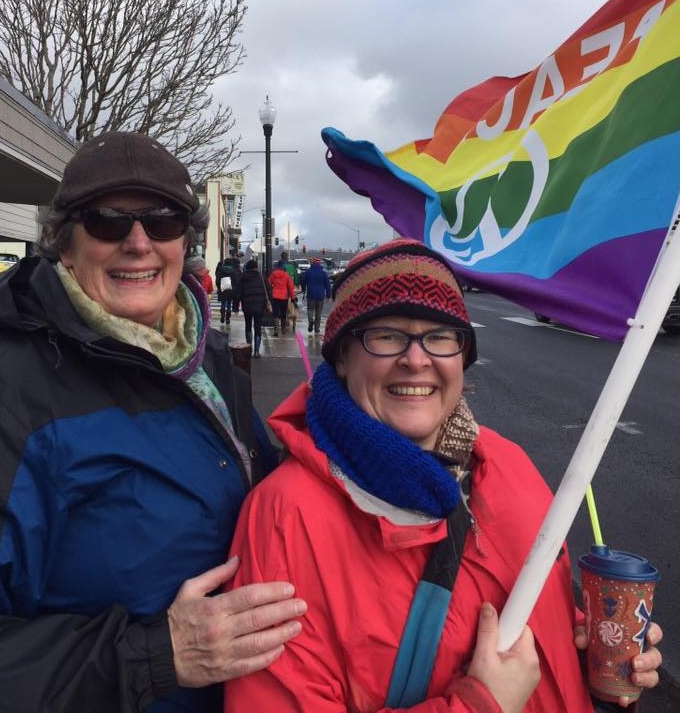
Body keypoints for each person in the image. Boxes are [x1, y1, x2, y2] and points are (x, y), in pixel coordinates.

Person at [225, 239, 663, 712]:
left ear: (462, 356)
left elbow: (529, 619)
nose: (417, 359)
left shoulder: (505, 461)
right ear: (342, 357)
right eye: (387, 335)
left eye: (441, 336)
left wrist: (587, 650)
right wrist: (478, 705)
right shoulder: (284, 518)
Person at [0, 131, 306, 712]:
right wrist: (156, 655)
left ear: (184, 242)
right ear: (64, 244)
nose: (139, 242)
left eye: (164, 221)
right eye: (108, 221)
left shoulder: (203, 353)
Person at [239, 258, 268, 358]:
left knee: (248, 326)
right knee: (257, 327)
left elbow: (239, 292)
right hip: (259, 306)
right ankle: (256, 351)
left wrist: (236, 305)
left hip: (247, 305)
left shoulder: (243, 277)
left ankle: (249, 348)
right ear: (256, 267)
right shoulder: (261, 277)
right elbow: (267, 291)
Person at [300, 256, 332, 336]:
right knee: (319, 312)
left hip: (311, 295)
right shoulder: (323, 273)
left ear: (313, 263)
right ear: (319, 263)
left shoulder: (308, 272)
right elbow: (327, 285)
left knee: (310, 310)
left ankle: (311, 321)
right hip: (320, 295)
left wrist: (303, 289)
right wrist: (328, 295)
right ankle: (317, 329)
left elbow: (303, 282)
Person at [267, 259, 296, 337]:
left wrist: (272, 290)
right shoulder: (286, 275)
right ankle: (283, 329)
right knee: (283, 313)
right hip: (284, 297)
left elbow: (268, 283)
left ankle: (276, 329)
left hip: (275, 296)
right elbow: (290, 287)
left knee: (275, 313)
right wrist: (293, 297)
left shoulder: (273, 274)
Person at [215, 254, 240, 326]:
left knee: (223, 303)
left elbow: (217, 280)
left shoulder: (221, 270)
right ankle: (228, 318)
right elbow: (235, 281)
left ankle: (222, 315)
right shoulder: (233, 271)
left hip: (223, 289)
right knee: (229, 304)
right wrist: (234, 288)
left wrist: (219, 287)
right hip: (230, 290)